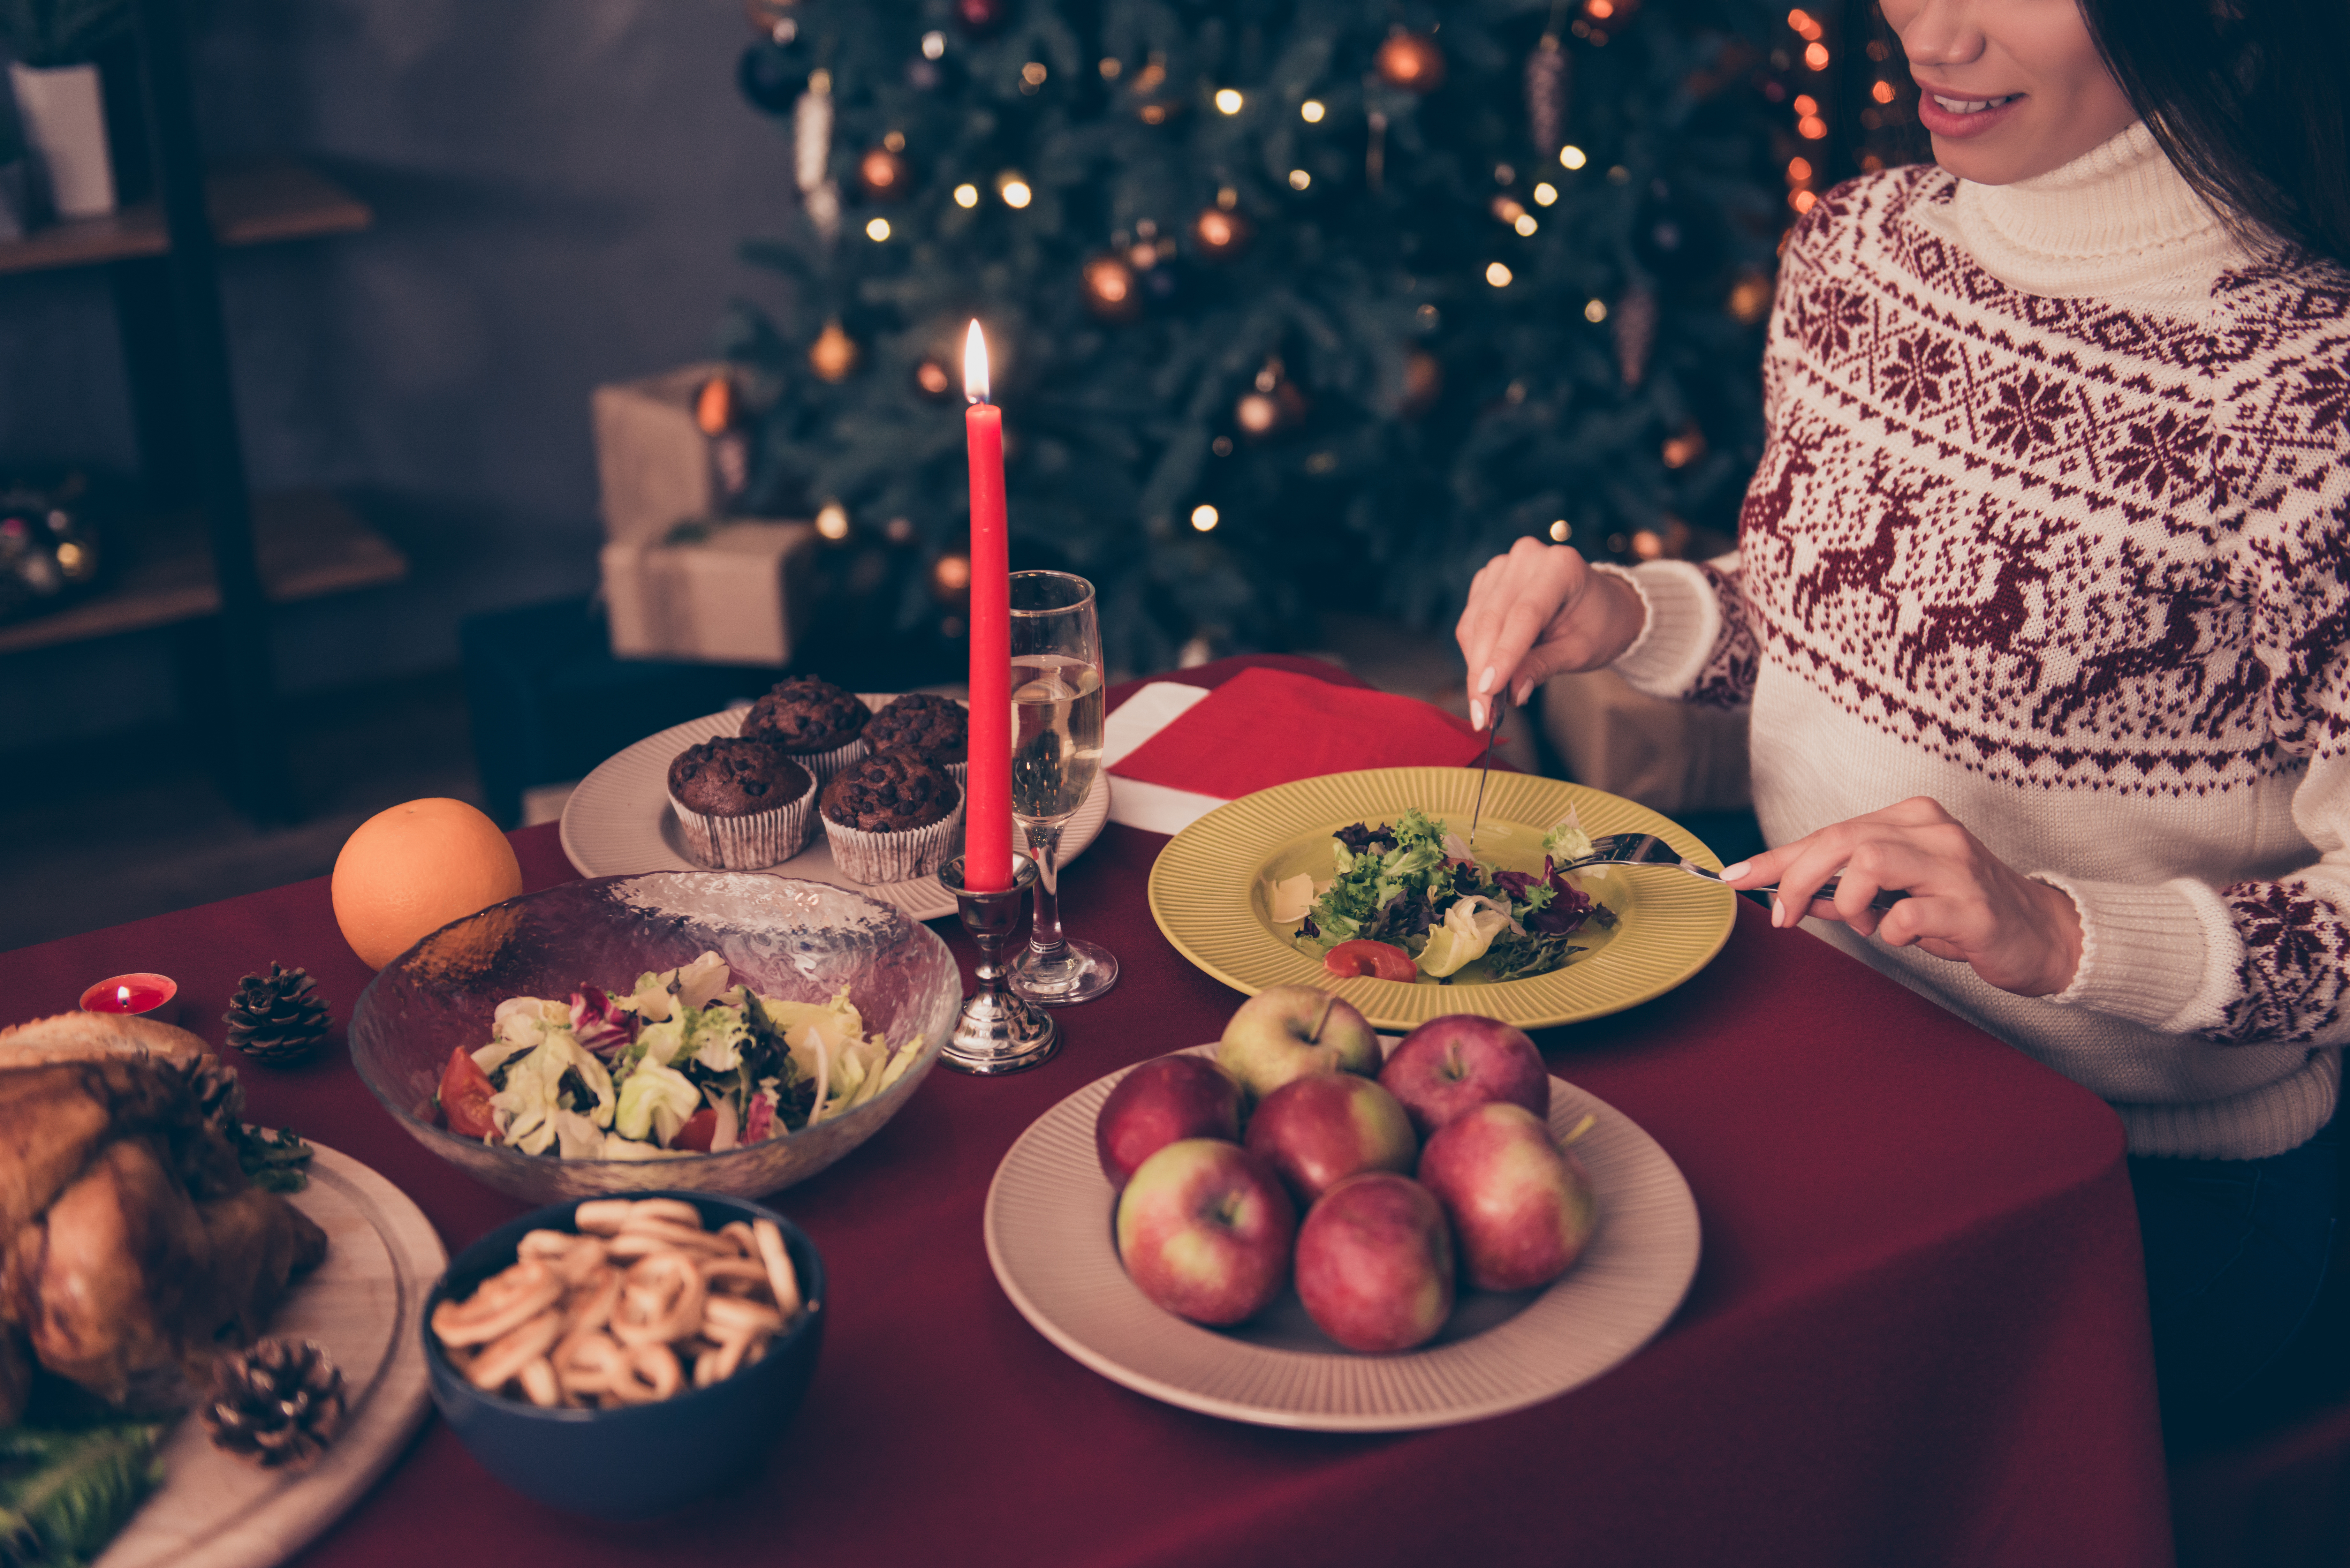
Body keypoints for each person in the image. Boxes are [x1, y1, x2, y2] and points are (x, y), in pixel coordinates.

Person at [1457, 0, 2350, 1424]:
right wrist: (1633, 617)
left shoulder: (2304, 387)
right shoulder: (1860, 246)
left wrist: (2058, 934)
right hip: (1822, 1039)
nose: (1927, 30)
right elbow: (1852, 604)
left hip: (2146, 1187)